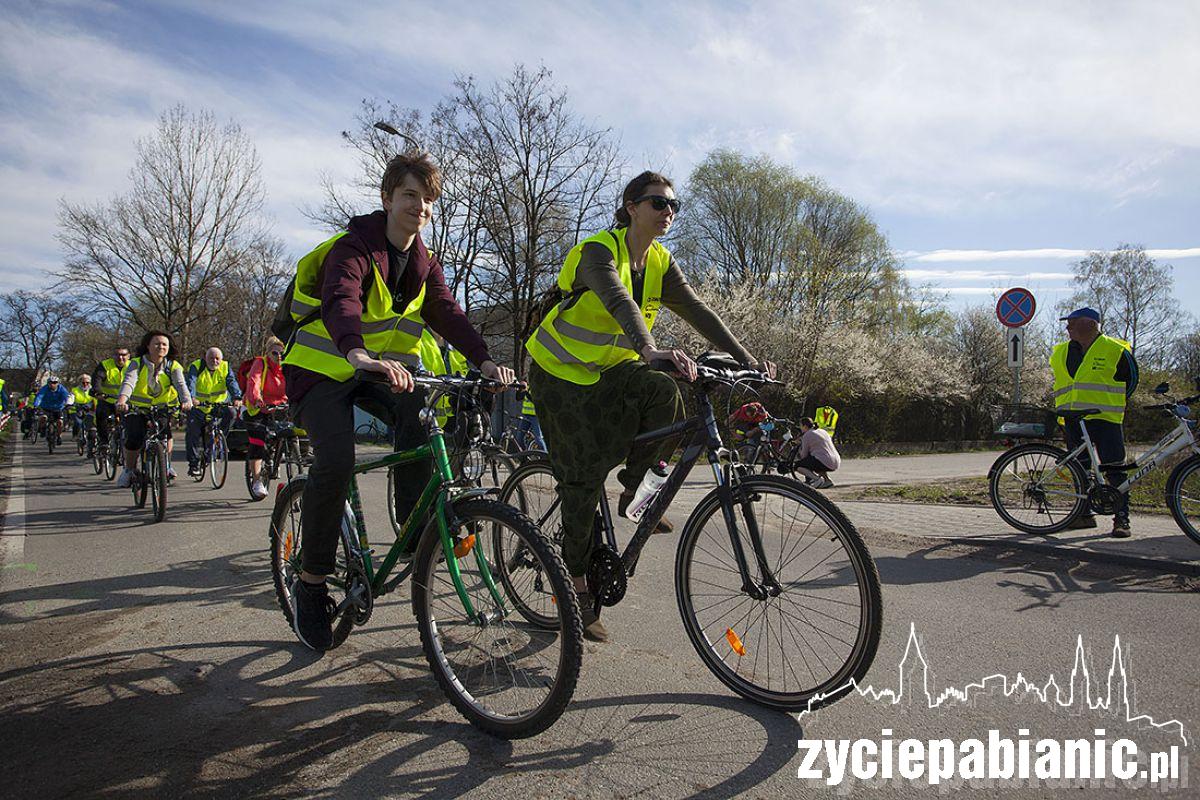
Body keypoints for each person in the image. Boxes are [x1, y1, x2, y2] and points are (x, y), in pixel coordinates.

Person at [525, 170, 775, 642]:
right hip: (559, 373)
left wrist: (748, 361)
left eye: (673, 206)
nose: (668, 212)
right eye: (658, 203)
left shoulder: (660, 261)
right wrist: (648, 348)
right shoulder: (598, 251)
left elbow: (700, 311)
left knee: (664, 392)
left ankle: (635, 492)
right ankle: (575, 588)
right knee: (580, 479)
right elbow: (620, 301)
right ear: (631, 206)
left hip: (608, 370)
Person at [281, 150, 514, 651]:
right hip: (322, 369)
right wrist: (357, 350)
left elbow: (448, 314)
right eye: (410, 195)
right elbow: (342, 297)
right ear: (387, 198)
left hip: (373, 369)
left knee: (421, 411)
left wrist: (484, 360)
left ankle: (414, 519)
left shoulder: (425, 265)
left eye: (429, 199)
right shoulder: (354, 247)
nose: (420, 206)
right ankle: (312, 583)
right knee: (337, 459)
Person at [1050, 306, 1139, 538]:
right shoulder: (1061, 351)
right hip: (1072, 419)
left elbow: (1132, 380)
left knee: (1114, 469)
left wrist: (1113, 401)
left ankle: (1121, 519)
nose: (1068, 327)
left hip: (1105, 418)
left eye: (1072, 322)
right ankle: (1083, 514)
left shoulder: (1114, 349)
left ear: (1090, 323)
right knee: (1080, 469)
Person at [114, 331, 193, 487]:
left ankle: (166, 466)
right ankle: (129, 470)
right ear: (148, 346)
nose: (161, 347)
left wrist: (187, 401)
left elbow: (181, 385)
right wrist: (122, 400)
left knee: (165, 435)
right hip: (138, 407)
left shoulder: (173, 365)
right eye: (156, 344)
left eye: (164, 344)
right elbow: (129, 382)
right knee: (134, 438)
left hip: (162, 407)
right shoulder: (137, 363)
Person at [185, 347, 243, 477]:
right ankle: (193, 464)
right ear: (205, 358)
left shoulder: (225, 367)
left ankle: (219, 440)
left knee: (232, 413)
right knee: (193, 433)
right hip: (198, 407)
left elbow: (232, 383)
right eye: (211, 358)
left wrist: (237, 397)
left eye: (217, 358)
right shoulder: (196, 366)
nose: (214, 361)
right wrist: (191, 397)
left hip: (218, 405)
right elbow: (191, 382)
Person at [243, 336, 289, 500]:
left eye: (281, 353)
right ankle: (256, 481)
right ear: (268, 353)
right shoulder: (260, 364)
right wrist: (257, 400)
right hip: (259, 408)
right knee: (258, 440)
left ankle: (279, 458)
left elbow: (295, 384)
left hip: (280, 406)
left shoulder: (286, 366)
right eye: (275, 353)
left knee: (292, 433)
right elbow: (253, 382)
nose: (278, 357)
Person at [92, 346, 133, 460]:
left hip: (126, 401)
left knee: (133, 420)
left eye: (124, 355)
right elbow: (97, 380)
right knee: (101, 416)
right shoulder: (105, 365)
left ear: (128, 356)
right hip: (108, 400)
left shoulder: (133, 365)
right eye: (117, 355)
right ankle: (104, 442)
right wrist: (98, 392)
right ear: (113, 356)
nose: (120, 357)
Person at [793, 417, 841, 489]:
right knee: (816, 460)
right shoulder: (822, 431)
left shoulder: (807, 435)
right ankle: (827, 481)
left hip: (825, 461)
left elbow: (803, 456)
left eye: (801, 426)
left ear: (805, 426)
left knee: (798, 466)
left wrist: (799, 445)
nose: (800, 428)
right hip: (836, 461)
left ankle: (817, 479)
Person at [33, 376, 71, 443]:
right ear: (48, 383)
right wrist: (36, 405)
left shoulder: (61, 389)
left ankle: (59, 436)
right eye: (50, 383)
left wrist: (68, 403)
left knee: (60, 422)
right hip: (46, 407)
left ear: (58, 383)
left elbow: (66, 396)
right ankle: (43, 429)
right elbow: (39, 397)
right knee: (43, 418)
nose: (52, 384)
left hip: (58, 408)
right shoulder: (45, 389)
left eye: (55, 383)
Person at [69, 374, 97, 445]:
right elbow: (70, 398)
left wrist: (96, 407)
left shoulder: (93, 390)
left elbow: (96, 400)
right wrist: (69, 404)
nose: (85, 384)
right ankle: (75, 435)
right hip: (76, 409)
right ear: (80, 382)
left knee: (91, 424)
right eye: (83, 382)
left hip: (89, 409)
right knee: (78, 423)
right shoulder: (75, 390)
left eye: (87, 382)